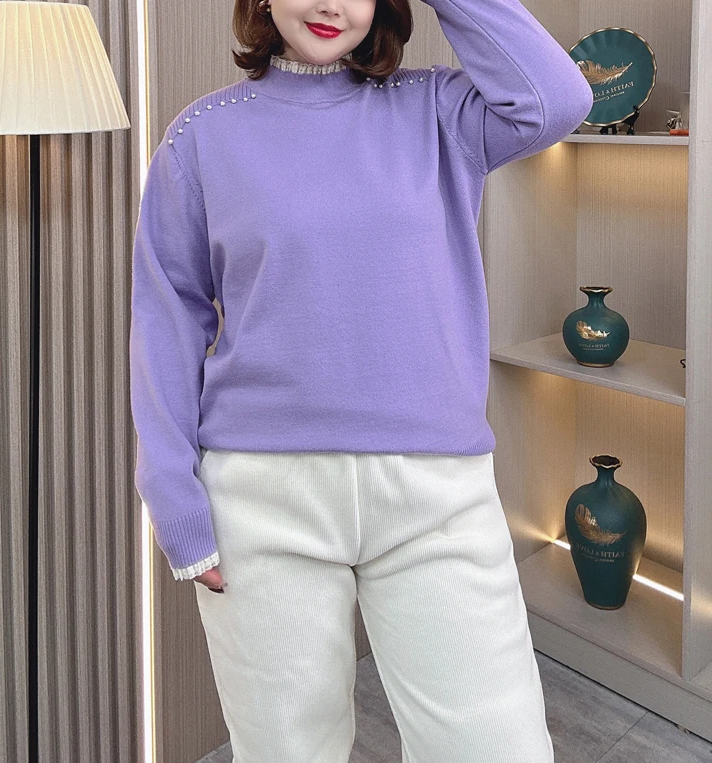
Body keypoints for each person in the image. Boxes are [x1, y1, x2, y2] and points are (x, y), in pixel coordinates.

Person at [129, 0, 594, 756]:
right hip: (261, 502)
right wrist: (171, 491)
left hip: (437, 499)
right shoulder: (201, 136)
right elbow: (166, 315)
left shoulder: (439, 111)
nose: (328, 4)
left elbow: (557, 98)